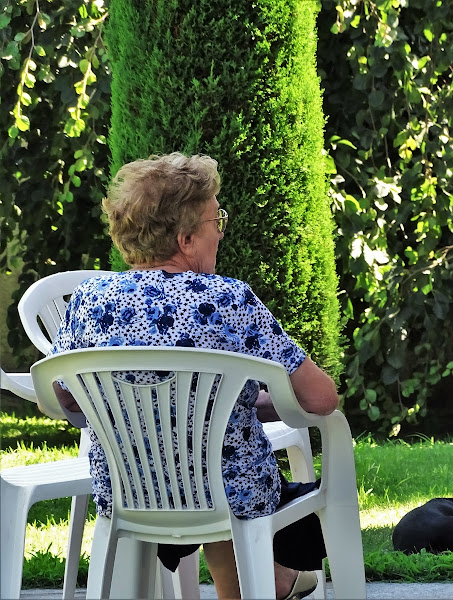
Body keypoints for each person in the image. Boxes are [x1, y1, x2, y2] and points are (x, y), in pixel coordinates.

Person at [47, 152, 337, 600]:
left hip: (128, 490)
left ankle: (267, 581)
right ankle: (269, 580)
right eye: (214, 219)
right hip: (229, 493)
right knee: (217, 466)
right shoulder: (229, 299)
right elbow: (321, 399)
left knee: (195, 456)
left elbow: (63, 397)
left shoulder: (88, 300)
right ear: (185, 240)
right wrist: (250, 403)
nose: (220, 229)